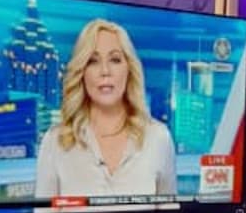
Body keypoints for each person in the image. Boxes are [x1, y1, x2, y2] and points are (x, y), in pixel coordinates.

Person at [34, 18, 176, 200]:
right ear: (82, 72)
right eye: (93, 61)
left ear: (129, 69)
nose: (105, 71)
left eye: (115, 60)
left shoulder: (158, 138)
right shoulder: (55, 142)